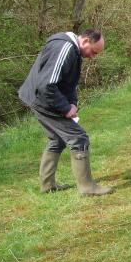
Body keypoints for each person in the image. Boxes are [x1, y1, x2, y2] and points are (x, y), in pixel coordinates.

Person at [18, 29, 112, 196]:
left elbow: (68, 84)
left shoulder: (74, 51)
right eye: (93, 52)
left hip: (41, 97)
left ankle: (47, 185)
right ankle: (87, 187)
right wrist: (65, 108)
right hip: (42, 99)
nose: (92, 57)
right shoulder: (65, 48)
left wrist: (72, 104)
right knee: (78, 137)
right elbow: (47, 85)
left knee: (57, 139)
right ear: (85, 41)